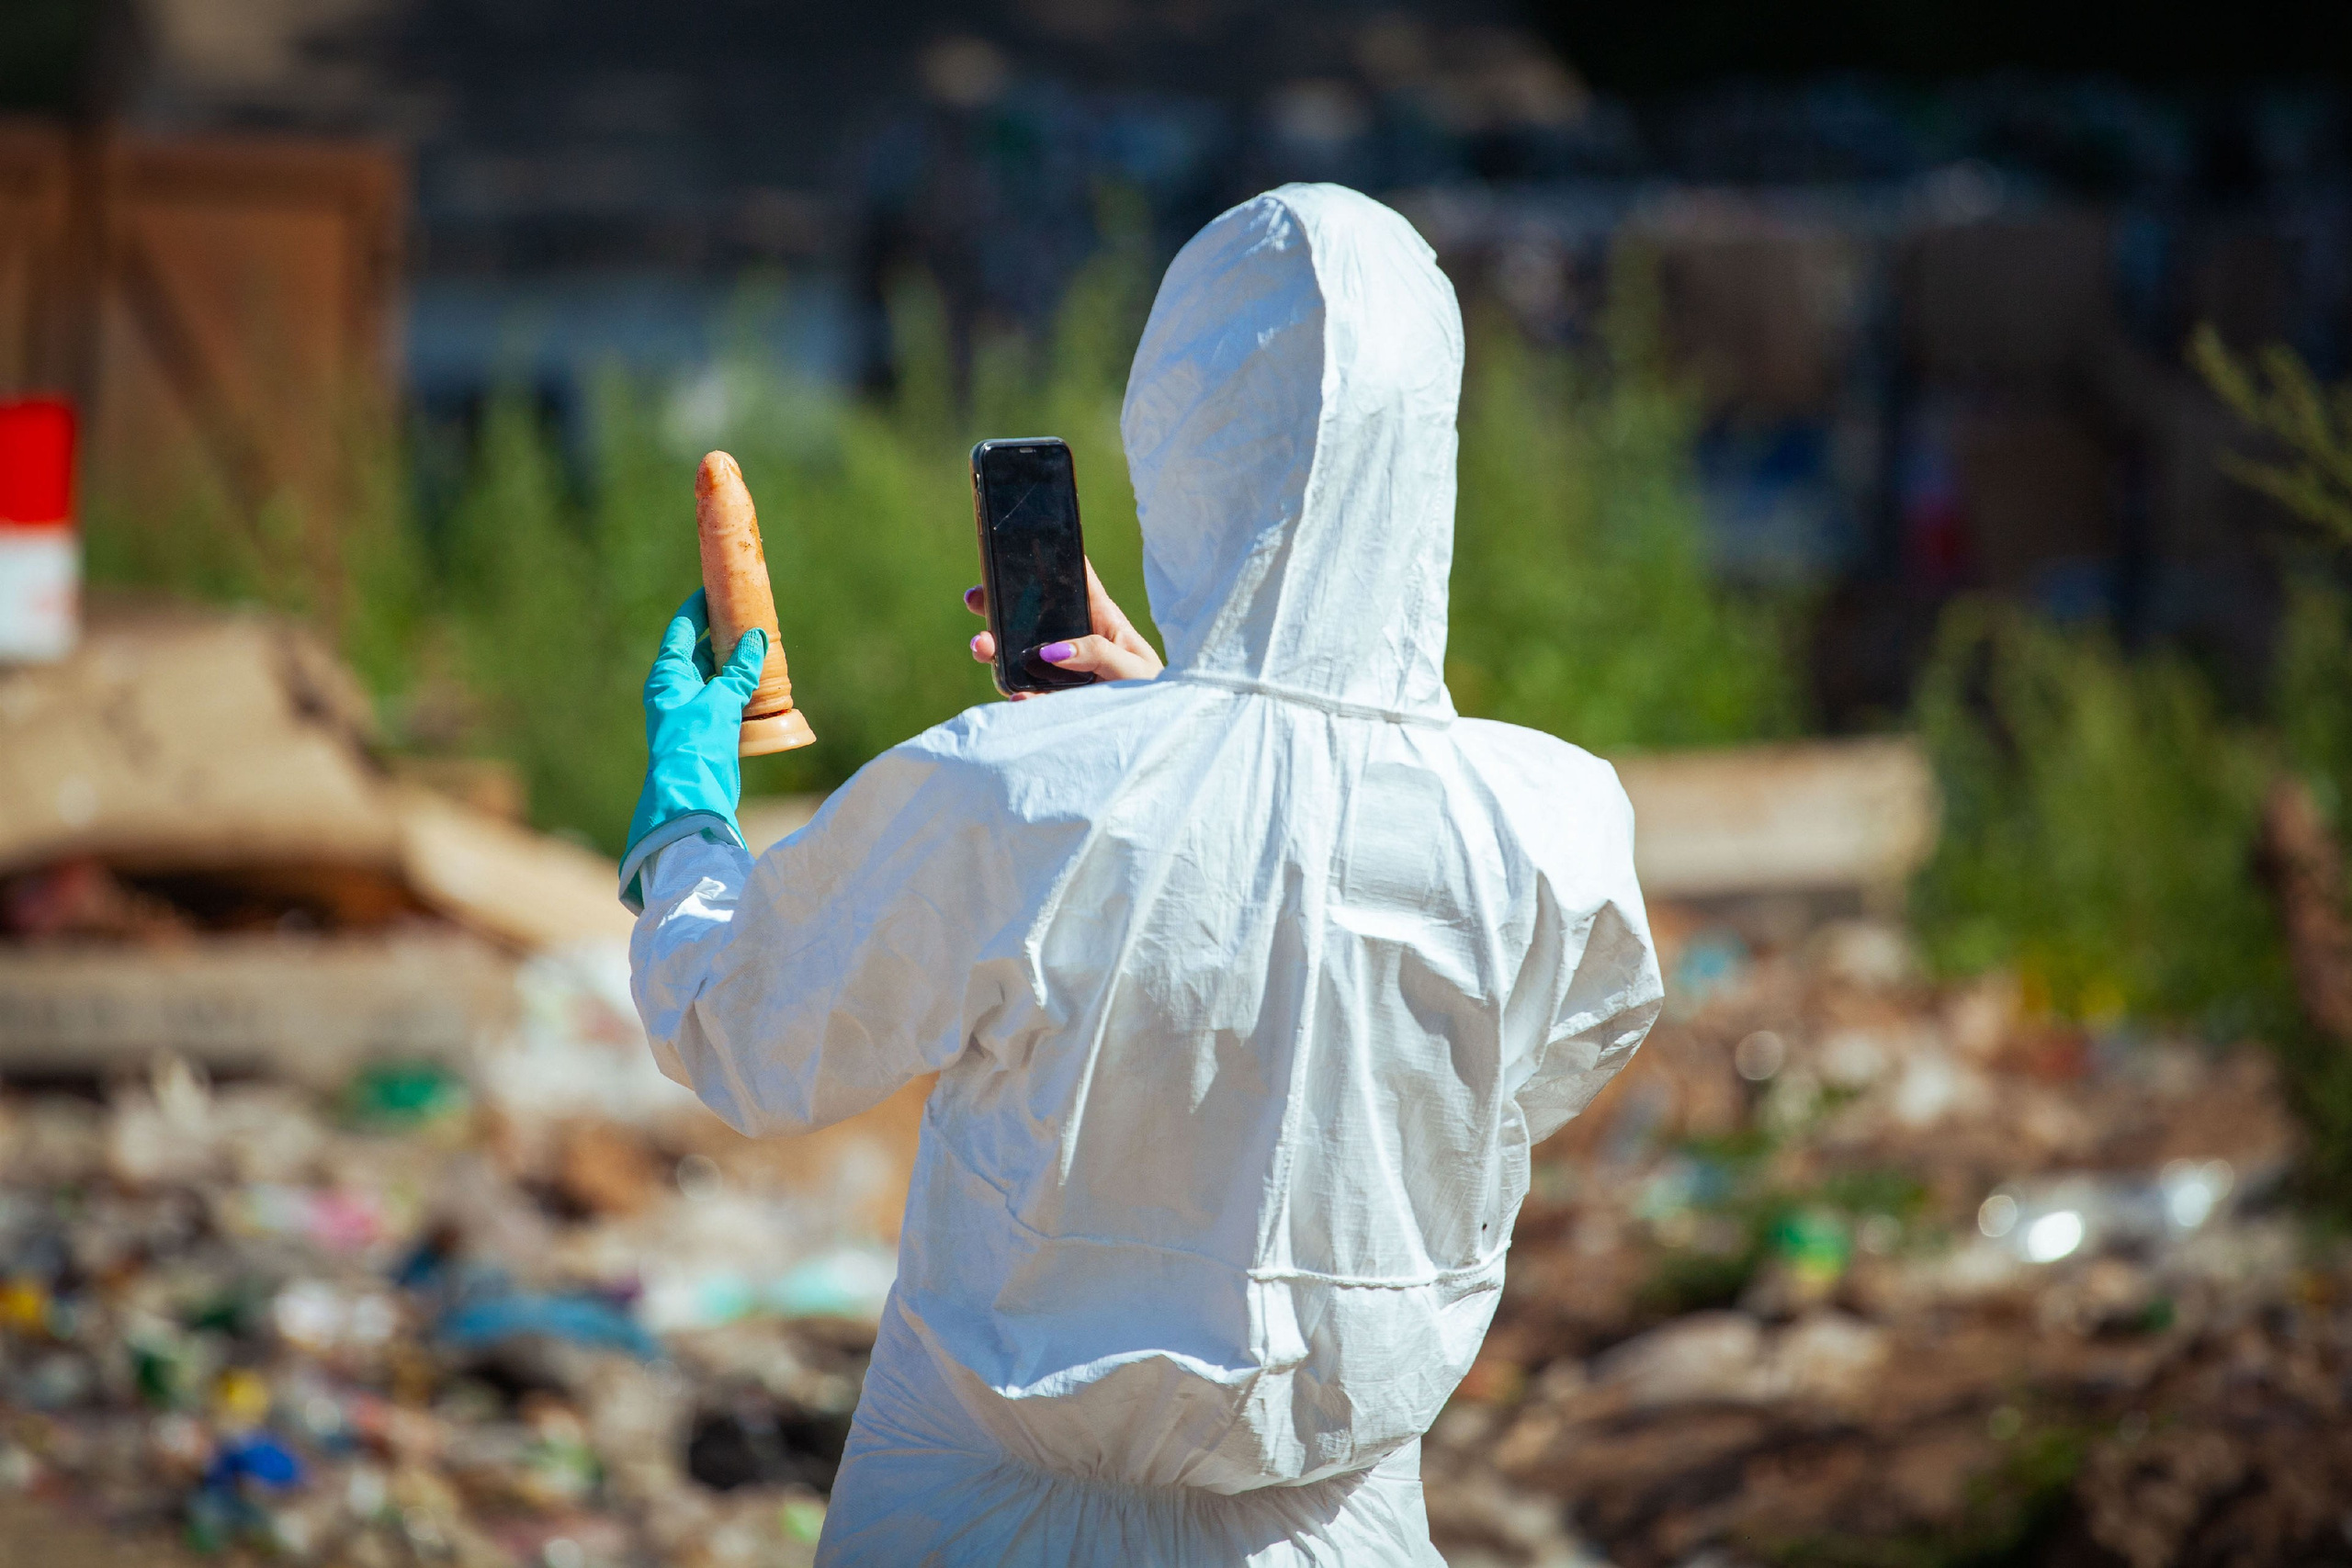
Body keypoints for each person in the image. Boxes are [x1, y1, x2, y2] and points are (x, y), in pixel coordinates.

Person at [621, 183, 1662, 1566]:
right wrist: (1193, 739)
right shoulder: (1554, 826)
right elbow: (1489, 1086)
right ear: (1429, 451)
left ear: (1175, 438)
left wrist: (684, 823)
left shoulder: (1013, 789)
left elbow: (746, 1033)